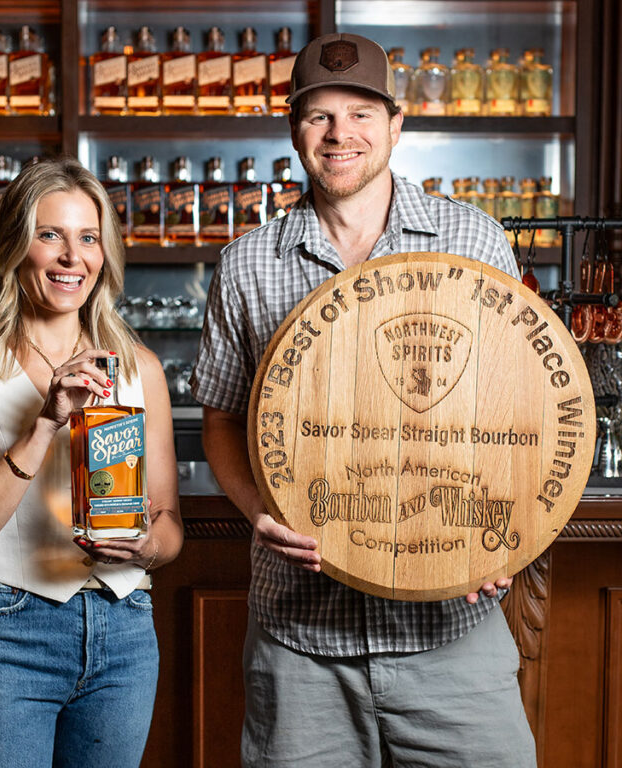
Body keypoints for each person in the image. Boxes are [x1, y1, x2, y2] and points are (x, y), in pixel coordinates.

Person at [190, 33, 537, 768]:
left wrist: (513, 526)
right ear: (293, 130)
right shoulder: (248, 262)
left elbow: (525, 410)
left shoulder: (473, 241)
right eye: (318, 115)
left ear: (396, 123)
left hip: (452, 634)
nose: (340, 134)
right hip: (301, 643)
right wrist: (256, 506)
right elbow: (220, 416)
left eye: (360, 113)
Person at [0, 157, 183, 768]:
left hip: (124, 629)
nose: (73, 257)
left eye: (88, 237)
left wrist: (146, 546)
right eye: (50, 235)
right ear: (16, 246)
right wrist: (43, 423)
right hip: (8, 630)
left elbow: (170, 528)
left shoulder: (140, 368)